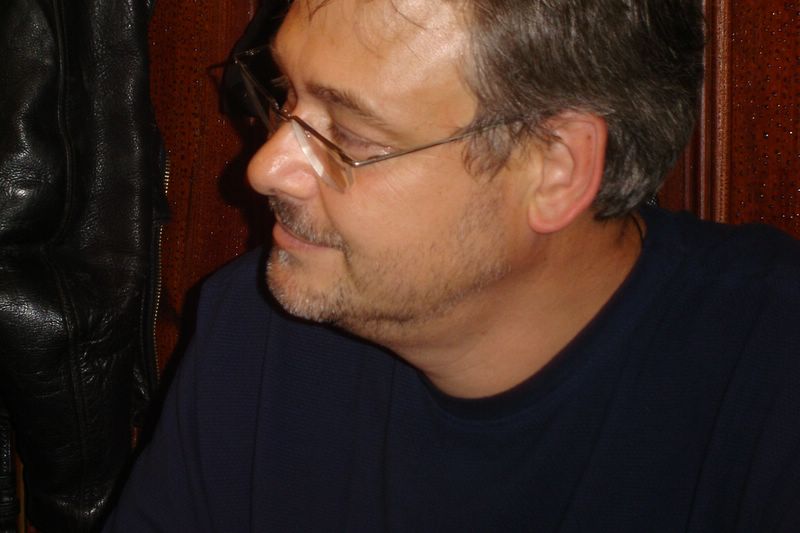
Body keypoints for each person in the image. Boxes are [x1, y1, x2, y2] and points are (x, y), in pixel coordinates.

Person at [105, 0, 800, 531]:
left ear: (555, 171)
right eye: (285, 91)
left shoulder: (771, 378)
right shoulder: (253, 328)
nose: (264, 168)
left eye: (349, 134)